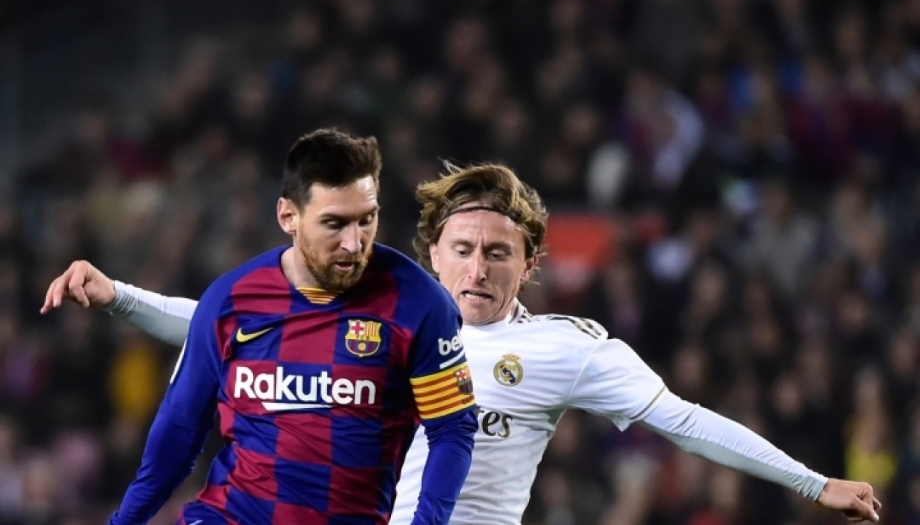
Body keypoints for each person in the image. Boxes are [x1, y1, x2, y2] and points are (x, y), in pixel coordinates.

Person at [44, 162, 880, 525]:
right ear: (432, 250)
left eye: (498, 252)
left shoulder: (566, 349)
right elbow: (215, 320)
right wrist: (118, 297)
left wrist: (813, 484)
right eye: (462, 249)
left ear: (530, 262)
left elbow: (687, 421)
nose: (477, 268)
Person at [45, 129, 478, 525]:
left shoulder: (418, 305)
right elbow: (180, 426)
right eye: (335, 223)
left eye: (367, 219)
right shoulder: (232, 299)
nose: (354, 241)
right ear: (288, 216)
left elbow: (453, 428)